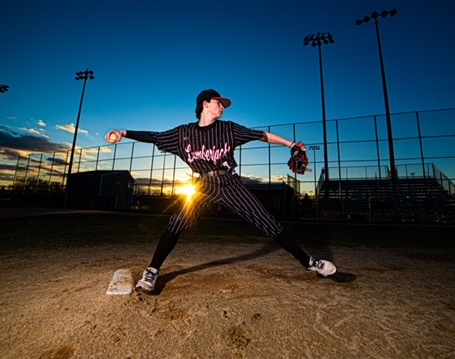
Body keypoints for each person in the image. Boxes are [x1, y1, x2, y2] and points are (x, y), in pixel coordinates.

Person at [106, 89, 336, 293]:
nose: (223, 107)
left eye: (224, 105)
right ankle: (152, 271)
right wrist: (124, 133)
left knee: (268, 222)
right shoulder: (182, 134)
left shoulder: (229, 129)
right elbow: (154, 137)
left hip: (230, 184)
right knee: (176, 223)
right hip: (202, 186)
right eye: (219, 103)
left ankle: (309, 263)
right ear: (205, 104)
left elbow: (261, 136)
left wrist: (291, 144)